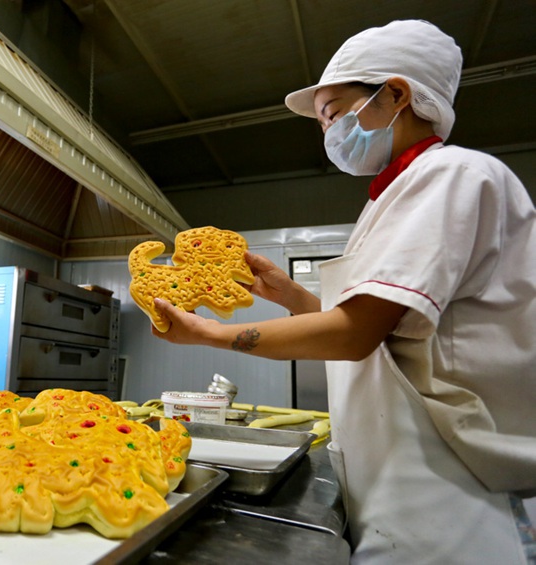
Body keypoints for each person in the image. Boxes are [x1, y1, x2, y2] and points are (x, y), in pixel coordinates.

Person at [150, 20, 536, 564]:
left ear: (396, 94)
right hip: (400, 476)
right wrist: (291, 296)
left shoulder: (453, 175)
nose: (328, 132)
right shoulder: (391, 197)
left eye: (332, 114)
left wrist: (210, 333)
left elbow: (355, 335)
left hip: (453, 492)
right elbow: (383, 335)